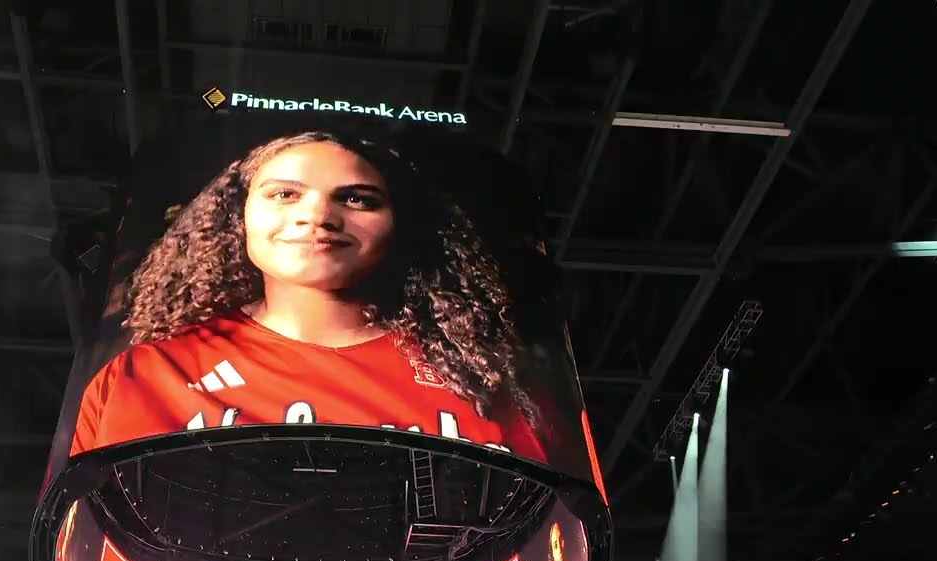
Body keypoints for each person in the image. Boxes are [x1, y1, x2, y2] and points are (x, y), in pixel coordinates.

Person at [71, 130, 573, 464]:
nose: (319, 216)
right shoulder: (147, 375)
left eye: (356, 198)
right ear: (236, 217)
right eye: (284, 194)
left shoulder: (488, 385)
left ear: (403, 226)